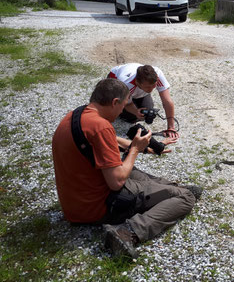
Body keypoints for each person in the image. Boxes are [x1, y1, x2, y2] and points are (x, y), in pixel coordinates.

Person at [52, 78, 199, 258]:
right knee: (186, 197)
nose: (123, 111)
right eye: (123, 106)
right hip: (98, 208)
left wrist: (141, 147)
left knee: (134, 171)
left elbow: (111, 140)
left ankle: (171, 190)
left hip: (75, 204)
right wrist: (136, 149)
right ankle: (127, 232)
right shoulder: (100, 126)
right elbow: (117, 182)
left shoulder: (78, 115)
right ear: (115, 102)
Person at [107, 63, 178, 138]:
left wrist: (171, 127)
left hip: (136, 89)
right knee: (131, 116)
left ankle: (137, 97)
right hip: (115, 82)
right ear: (137, 82)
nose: (151, 89)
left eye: (154, 85)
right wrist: (136, 112)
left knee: (147, 112)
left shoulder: (158, 74)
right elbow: (128, 104)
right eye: (148, 87)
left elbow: (167, 101)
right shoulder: (126, 84)